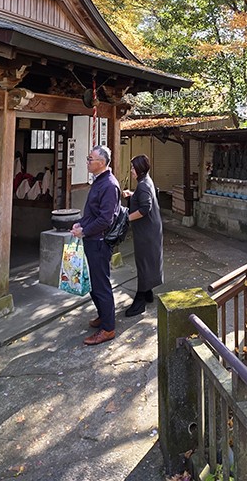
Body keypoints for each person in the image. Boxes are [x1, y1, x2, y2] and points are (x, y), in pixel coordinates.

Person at [71, 145, 122, 345]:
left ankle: (108, 329)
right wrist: (80, 224)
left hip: (100, 242)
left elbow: (105, 220)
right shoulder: (99, 181)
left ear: (101, 163)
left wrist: (84, 230)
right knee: (94, 283)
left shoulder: (109, 185)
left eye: (90, 159)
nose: (87, 161)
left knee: (101, 285)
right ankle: (103, 315)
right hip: (91, 240)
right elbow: (92, 214)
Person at [123, 154, 163, 317]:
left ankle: (140, 300)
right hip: (151, 229)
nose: (131, 170)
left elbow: (145, 208)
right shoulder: (145, 181)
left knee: (144, 262)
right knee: (148, 261)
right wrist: (132, 195)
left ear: (139, 169)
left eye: (133, 167)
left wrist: (125, 218)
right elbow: (144, 199)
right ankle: (148, 293)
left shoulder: (143, 185)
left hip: (147, 232)